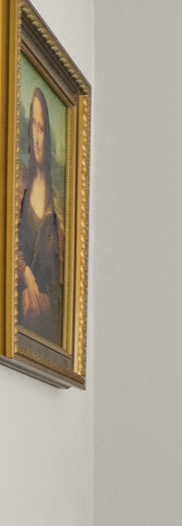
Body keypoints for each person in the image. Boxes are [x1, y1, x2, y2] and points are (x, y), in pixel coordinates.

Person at [16, 80, 65, 345]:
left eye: (42, 128)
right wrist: (26, 275)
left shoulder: (57, 205)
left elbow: (59, 287)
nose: (36, 137)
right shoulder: (19, 185)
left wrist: (40, 299)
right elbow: (10, 247)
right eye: (32, 126)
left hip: (41, 315)